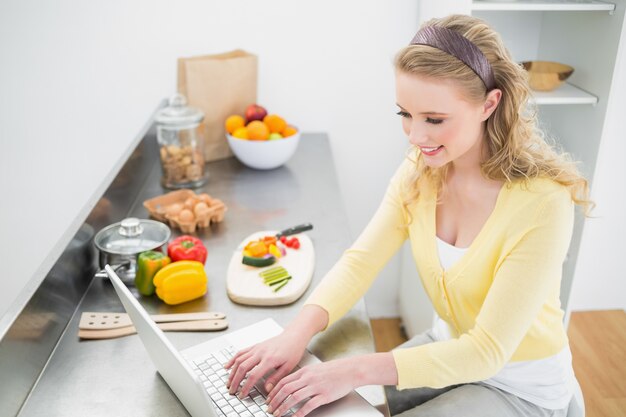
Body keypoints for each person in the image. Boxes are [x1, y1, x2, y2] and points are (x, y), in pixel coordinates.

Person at [225, 14, 592, 417]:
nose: (416, 137)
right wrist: (293, 336)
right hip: (445, 350)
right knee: (313, 405)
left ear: (489, 103)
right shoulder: (420, 173)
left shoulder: (543, 204)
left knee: (341, 388)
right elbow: (360, 263)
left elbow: (486, 351)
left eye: (434, 120)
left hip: (521, 388)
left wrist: (353, 370)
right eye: (405, 114)